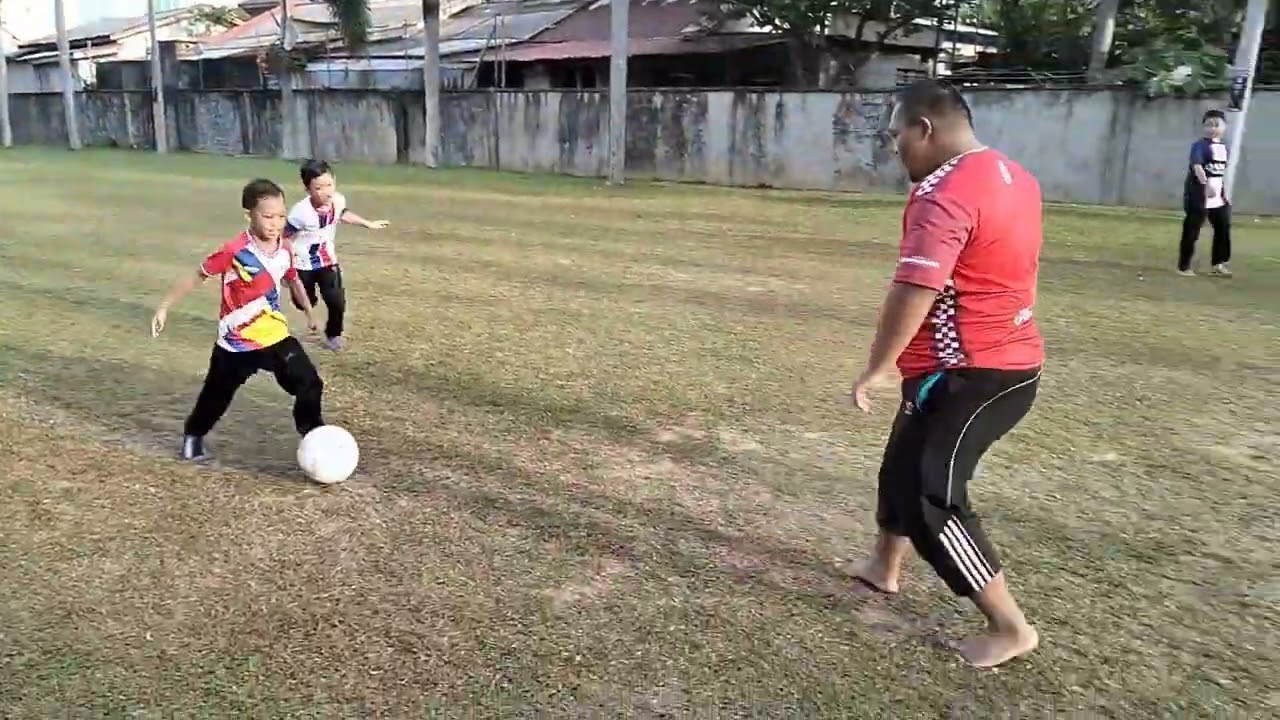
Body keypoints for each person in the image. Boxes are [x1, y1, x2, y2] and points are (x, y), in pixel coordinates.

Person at [849, 79, 1045, 669]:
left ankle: (1010, 626)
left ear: (924, 129)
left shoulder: (945, 190)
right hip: (980, 361)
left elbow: (915, 287)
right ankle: (885, 565)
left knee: (931, 490)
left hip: (975, 371)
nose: (895, 149)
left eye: (896, 136)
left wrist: (878, 368)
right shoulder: (1013, 174)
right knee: (899, 463)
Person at [151, 178, 327, 462]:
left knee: (309, 383)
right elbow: (198, 276)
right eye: (267, 216)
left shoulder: (285, 248)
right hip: (236, 343)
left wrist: (309, 313)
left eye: (281, 216)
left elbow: (292, 279)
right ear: (249, 215)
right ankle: (193, 436)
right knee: (216, 397)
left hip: (274, 336)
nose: (275, 223)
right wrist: (164, 307)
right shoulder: (233, 251)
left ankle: (315, 435)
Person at [285, 159, 390, 352]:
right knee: (305, 303)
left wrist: (368, 224)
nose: (326, 191)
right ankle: (301, 298)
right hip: (302, 264)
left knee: (337, 300)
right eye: (318, 187)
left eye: (329, 185)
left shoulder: (338, 200)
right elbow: (283, 236)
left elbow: (341, 214)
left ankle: (334, 334)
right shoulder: (300, 213)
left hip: (327, 260)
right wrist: (283, 265)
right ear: (307, 189)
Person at [1178, 109, 1232, 277]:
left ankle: (1219, 263)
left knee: (1223, 227)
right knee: (1192, 229)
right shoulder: (1200, 146)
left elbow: (1220, 172)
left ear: (1224, 127)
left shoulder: (1224, 147)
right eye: (1208, 124)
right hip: (1198, 194)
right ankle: (1184, 266)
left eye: (1216, 124)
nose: (1212, 128)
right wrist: (1205, 184)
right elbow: (1197, 166)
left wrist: (1223, 192)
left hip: (1218, 196)